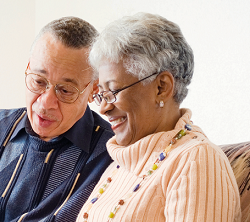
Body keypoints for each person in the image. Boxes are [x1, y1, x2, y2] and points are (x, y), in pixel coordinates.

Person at [76, 12, 241, 222]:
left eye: (114, 91)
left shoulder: (195, 161)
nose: (104, 108)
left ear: (162, 87)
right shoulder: (121, 163)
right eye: (101, 93)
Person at [0, 17, 114, 222]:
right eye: (39, 81)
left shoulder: (110, 153)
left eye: (66, 90)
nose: (45, 103)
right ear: (28, 67)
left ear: (94, 89)